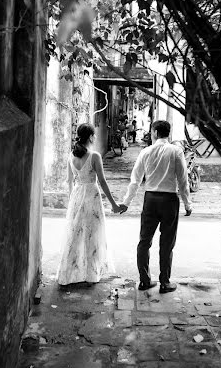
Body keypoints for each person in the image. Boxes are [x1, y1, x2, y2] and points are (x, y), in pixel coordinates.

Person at [118, 120, 192, 293]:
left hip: (150, 199)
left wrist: (126, 202)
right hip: (170, 201)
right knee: (167, 244)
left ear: (155, 133)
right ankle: (165, 282)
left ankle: (144, 281)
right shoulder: (176, 152)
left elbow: (135, 180)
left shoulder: (146, 152)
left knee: (144, 241)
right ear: (168, 133)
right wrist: (188, 204)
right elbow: (183, 181)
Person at [57, 124, 120, 286]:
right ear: (91, 137)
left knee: (76, 234)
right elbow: (103, 182)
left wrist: (73, 200)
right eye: (95, 135)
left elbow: (70, 181)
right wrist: (113, 204)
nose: (95, 137)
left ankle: (70, 272)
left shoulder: (71, 156)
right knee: (93, 233)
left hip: (77, 195)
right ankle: (90, 273)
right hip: (91, 195)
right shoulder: (94, 156)